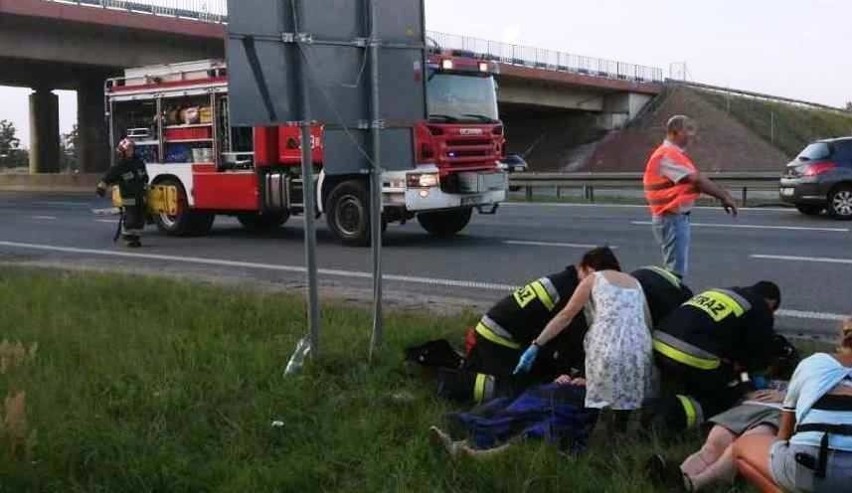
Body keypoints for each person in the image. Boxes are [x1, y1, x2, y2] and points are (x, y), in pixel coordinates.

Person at [513, 247, 654, 429]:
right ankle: (619, 431)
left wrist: (537, 344)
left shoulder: (593, 279)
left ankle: (584, 433)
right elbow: (646, 320)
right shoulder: (634, 282)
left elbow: (565, 316)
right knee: (624, 396)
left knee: (594, 400)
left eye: (580, 272)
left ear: (588, 267)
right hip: (639, 345)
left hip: (606, 345)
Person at [733, 318, 852, 492]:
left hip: (807, 464)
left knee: (743, 448)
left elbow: (784, 434)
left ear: (841, 339)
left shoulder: (813, 363)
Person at [652, 281, 781, 423]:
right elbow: (753, 358)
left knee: (695, 377)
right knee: (727, 391)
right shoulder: (760, 308)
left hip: (659, 343)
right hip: (691, 354)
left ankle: (665, 400)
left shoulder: (722, 293)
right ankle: (672, 415)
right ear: (770, 303)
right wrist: (747, 385)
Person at [643, 115, 739, 278]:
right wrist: (724, 196)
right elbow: (697, 180)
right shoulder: (668, 154)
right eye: (688, 129)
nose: (692, 134)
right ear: (674, 132)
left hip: (672, 217)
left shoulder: (672, 154)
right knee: (675, 273)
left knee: (673, 269)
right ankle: (672, 301)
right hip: (671, 217)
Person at [429, 376, 598, 459]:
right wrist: (565, 375)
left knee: (549, 424)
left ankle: (481, 455)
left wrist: (591, 381)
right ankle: (464, 443)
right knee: (517, 412)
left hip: (585, 399)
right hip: (560, 389)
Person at [96, 138, 149, 248]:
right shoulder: (120, 166)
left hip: (140, 196)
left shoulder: (139, 163)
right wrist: (101, 189)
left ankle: (136, 238)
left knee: (140, 219)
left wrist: (145, 184)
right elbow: (108, 178)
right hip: (129, 197)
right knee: (131, 218)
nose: (131, 151)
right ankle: (128, 239)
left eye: (132, 149)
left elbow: (144, 177)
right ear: (122, 152)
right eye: (128, 150)